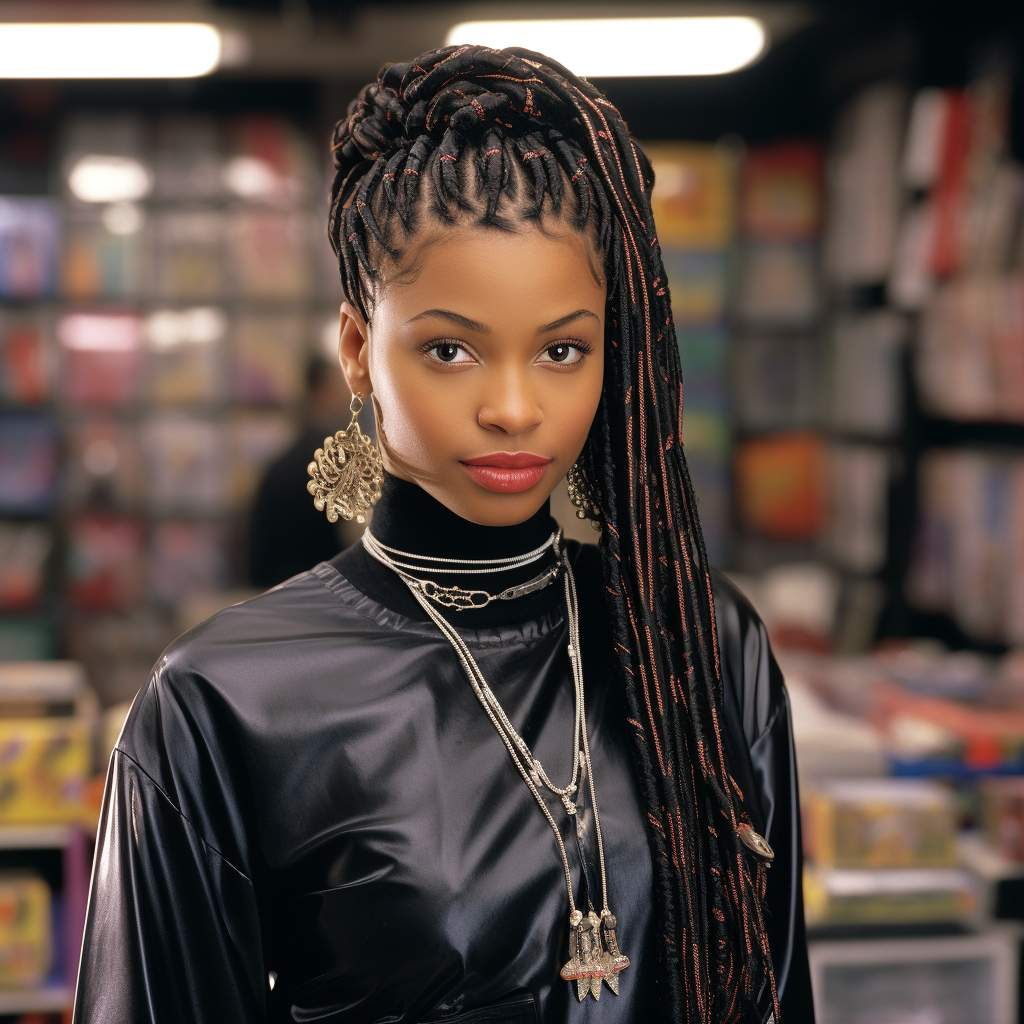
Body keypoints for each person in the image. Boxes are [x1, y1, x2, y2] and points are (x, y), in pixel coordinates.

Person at [74, 46, 813, 1024]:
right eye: (450, 348)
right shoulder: (225, 703)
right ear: (356, 349)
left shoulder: (699, 645)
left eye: (562, 349)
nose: (513, 408)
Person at [248, 355, 351, 588]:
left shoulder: (279, 466)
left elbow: (258, 560)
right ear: (323, 390)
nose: (351, 396)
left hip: (281, 596)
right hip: (328, 599)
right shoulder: (338, 465)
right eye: (343, 385)